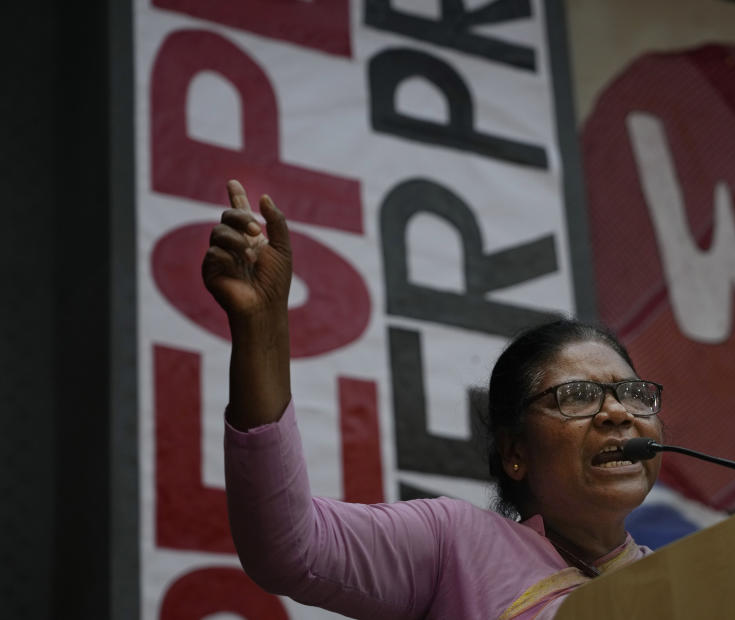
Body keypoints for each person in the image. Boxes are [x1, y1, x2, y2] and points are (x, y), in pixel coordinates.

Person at [203, 180, 664, 619]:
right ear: (515, 453)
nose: (618, 413)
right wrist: (261, 328)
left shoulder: (690, 577)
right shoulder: (454, 543)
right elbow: (288, 547)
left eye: (633, 393)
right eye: (579, 395)